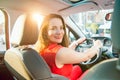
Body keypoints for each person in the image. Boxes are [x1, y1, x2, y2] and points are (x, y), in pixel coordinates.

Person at [35, 14, 102, 80]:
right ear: (45, 32)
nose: (59, 32)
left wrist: (76, 43)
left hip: (60, 77)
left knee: (77, 68)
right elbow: (86, 56)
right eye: (53, 28)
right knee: (95, 71)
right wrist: (97, 46)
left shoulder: (43, 49)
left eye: (61, 28)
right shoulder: (59, 53)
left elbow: (64, 54)